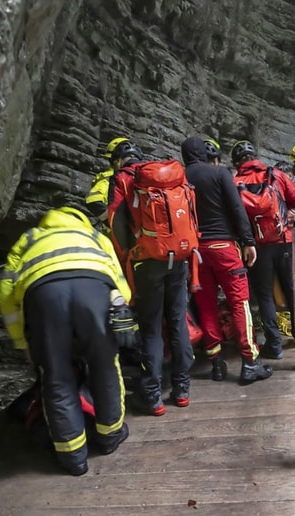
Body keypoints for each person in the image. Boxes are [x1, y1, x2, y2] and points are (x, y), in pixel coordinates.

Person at [0, 205, 136, 476]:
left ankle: (72, 457)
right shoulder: (96, 237)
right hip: (94, 288)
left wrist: (21, 341)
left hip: (43, 295)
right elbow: (122, 287)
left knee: (56, 376)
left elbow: (4, 291)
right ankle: (110, 435)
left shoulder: (30, 239)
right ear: (81, 219)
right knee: (105, 366)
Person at [107, 140, 195, 415]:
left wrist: (128, 253)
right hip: (179, 258)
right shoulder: (168, 179)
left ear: (119, 160)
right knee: (178, 321)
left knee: (151, 328)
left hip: (146, 261)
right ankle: (181, 389)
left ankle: (153, 395)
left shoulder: (122, 180)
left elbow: (116, 223)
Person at [181, 136, 273, 384]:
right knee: (239, 303)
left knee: (206, 307)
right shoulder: (220, 173)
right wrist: (248, 242)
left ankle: (216, 364)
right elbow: (236, 208)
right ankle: (249, 363)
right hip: (224, 247)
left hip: (195, 253)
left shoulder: (179, 177)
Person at [232, 140, 295, 361]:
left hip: (255, 246)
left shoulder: (234, 182)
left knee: (264, 294)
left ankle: (274, 344)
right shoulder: (275, 174)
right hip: (283, 240)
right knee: (291, 290)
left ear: (237, 162)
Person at [86, 136, 129, 228]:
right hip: (115, 239)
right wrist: (116, 225)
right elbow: (93, 201)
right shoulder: (110, 179)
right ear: (116, 161)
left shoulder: (127, 177)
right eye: (127, 157)